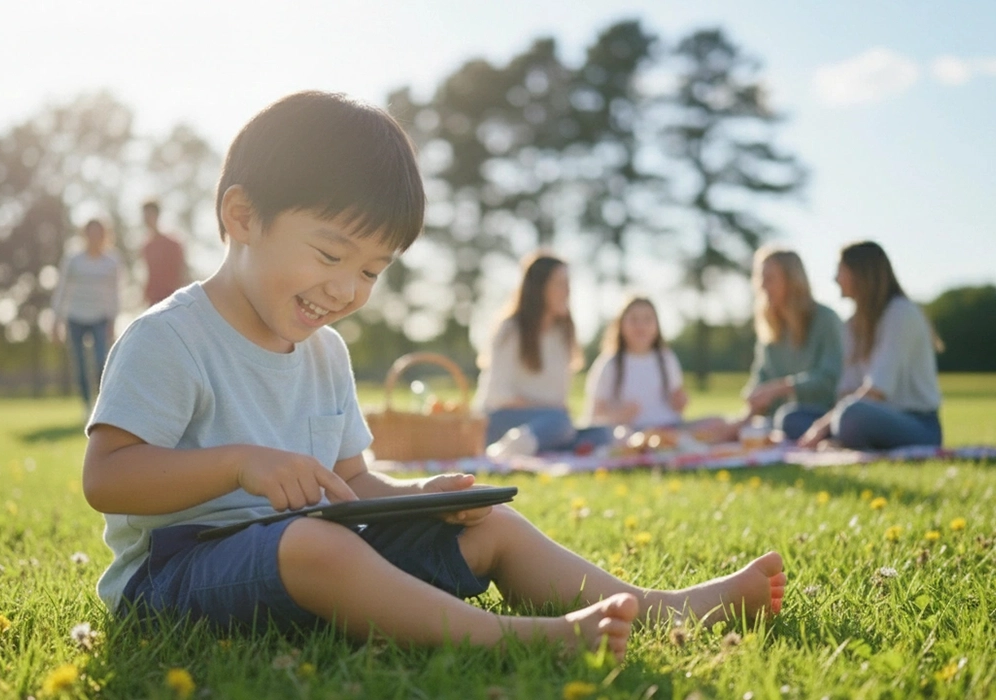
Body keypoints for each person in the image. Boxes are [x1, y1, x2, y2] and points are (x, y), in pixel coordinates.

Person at [82, 92, 787, 657]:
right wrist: (239, 465)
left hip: (316, 549)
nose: (348, 289)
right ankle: (520, 642)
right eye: (330, 255)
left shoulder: (325, 352)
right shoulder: (169, 337)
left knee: (492, 524)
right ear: (242, 217)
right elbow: (107, 477)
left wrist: (420, 497)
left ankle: (664, 607)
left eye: (370, 270)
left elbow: (353, 482)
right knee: (317, 545)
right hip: (176, 573)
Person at [799, 241, 942, 450]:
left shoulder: (901, 313)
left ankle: (840, 441)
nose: (835, 278)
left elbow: (877, 391)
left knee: (851, 415)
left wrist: (821, 427)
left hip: (917, 425)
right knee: (792, 417)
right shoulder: (851, 324)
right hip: (863, 414)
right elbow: (846, 392)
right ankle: (842, 441)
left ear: (860, 274)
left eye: (841, 271)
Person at [476, 253, 612, 459]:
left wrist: (555, 412)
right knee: (559, 423)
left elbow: (558, 398)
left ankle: (533, 447)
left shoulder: (562, 334)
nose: (567, 291)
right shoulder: (511, 330)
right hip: (499, 420)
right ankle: (504, 452)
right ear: (539, 289)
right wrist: (551, 411)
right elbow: (499, 396)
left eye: (568, 284)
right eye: (560, 284)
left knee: (603, 433)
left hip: (548, 423)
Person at [739, 247, 844, 441]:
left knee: (789, 418)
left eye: (770, 278)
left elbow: (830, 380)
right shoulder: (770, 327)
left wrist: (781, 388)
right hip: (777, 418)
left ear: (792, 280)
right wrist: (751, 399)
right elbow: (761, 378)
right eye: (760, 278)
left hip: (824, 415)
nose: (762, 286)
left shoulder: (825, 319)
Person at [582, 296, 687, 431]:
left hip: (668, 428)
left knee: (717, 422)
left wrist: (680, 402)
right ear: (620, 325)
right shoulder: (610, 363)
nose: (641, 326)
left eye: (647, 319)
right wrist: (619, 415)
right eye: (633, 319)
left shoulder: (666, 359)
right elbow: (594, 415)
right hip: (628, 432)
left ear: (657, 325)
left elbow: (677, 403)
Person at [52, 219, 121, 412]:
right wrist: (55, 321)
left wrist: (113, 320)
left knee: (101, 362)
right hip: (75, 317)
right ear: (85, 235)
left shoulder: (112, 261)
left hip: (100, 318)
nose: (94, 238)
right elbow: (62, 290)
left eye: (98, 234)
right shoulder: (73, 260)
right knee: (80, 366)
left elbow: (115, 293)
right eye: (90, 233)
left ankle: (102, 406)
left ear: (104, 236)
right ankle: (86, 406)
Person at [140, 200, 189, 307]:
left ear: (157, 215)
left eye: (150, 214)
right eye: (145, 214)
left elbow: (182, 271)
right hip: (153, 301)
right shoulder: (146, 246)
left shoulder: (173, 243)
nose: (147, 218)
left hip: (172, 299)